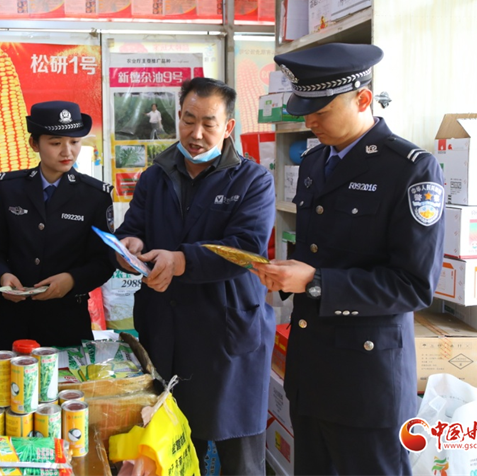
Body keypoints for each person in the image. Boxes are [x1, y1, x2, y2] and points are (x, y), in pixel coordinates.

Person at [253, 43, 445, 475]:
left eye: (321, 111)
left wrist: (315, 282)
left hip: (367, 383)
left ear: (363, 99)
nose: (310, 121)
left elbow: (413, 285)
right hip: (312, 374)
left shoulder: (410, 169)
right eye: (305, 110)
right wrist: (287, 274)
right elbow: (318, 251)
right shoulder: (314, 161)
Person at [115, 77, 276, 475]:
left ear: (228, 126)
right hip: (165, 334)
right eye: (188, 120)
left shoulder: (252, 180)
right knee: (173, 453)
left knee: (239, 460)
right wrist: (129, 246)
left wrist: (181, 260)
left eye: (208, 123)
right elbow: (133, 227)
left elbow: (246, 248)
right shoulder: (156, 175)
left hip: (225, 337)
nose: (196, 133)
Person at [0, 101, 115, 351]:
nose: (67, 152)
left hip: (65, 321)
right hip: (9, 321)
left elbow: (104, 261)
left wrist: (71, 280)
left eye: (74, 142)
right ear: (35, 144)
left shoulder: (95, 196)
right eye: (55, 143)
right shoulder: (10, 189)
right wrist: (2, 276)